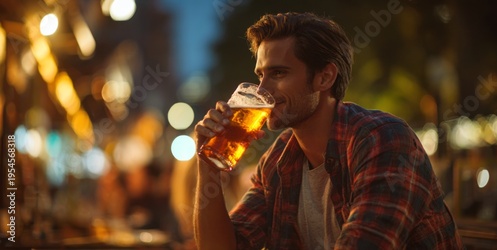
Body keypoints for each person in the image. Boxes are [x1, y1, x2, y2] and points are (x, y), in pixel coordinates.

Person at [193, 12, 464, 249]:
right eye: (260, 75)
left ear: (325, 77)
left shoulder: (383, 139)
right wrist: (207, 165)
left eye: (278, 74)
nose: (262, 90)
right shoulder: (277, 162)